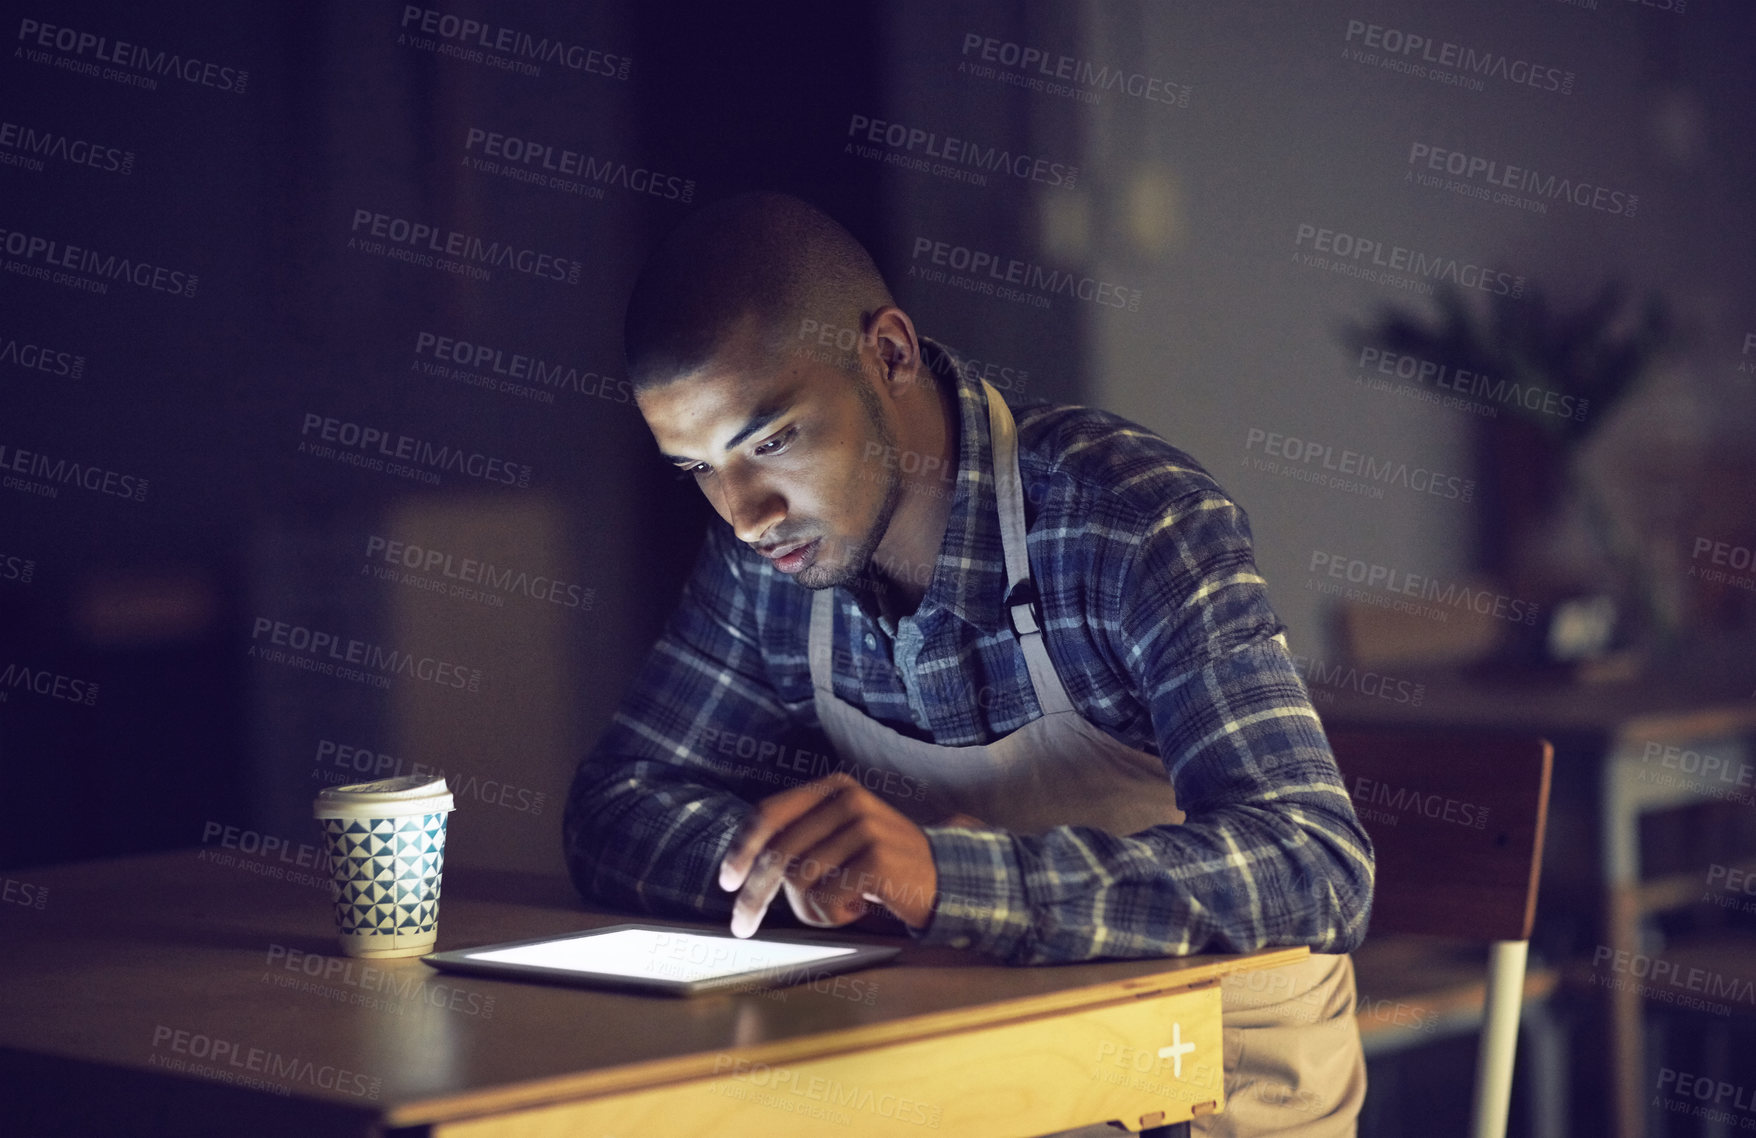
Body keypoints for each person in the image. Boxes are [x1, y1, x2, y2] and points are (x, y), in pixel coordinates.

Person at [563, 191, 1374, 1136]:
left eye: (772, 441)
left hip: (1211, 1092)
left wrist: (952, 881)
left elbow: (1315, 862)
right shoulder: (772, 571)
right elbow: (615, 808)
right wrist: (798, 873)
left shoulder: (1128, 521)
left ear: (891, 353)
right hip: (978, 1083)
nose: (745, 515)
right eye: (699, 469)